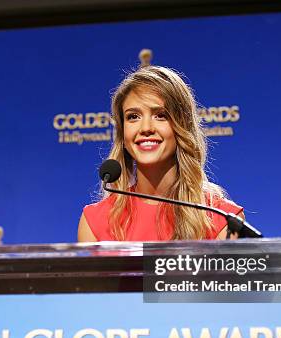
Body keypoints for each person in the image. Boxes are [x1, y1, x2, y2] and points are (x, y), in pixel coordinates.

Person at [77, 65, 244, 242]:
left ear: (181, 126)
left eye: (160, 115)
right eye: (133, 117)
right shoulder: (95, 222)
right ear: (122, 132)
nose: (146, 128)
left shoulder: (223, 219)